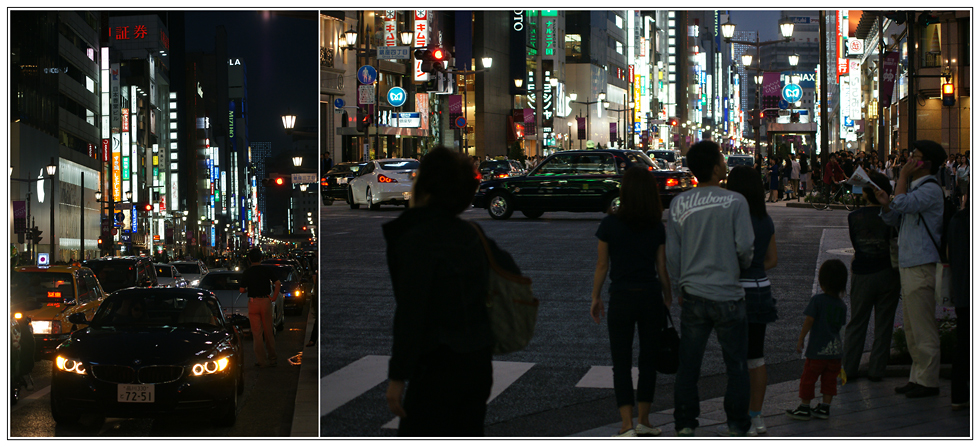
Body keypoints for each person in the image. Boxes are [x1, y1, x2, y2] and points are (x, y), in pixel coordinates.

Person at [384, 146, 518, 437]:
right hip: (477, 362)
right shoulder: (472, 234)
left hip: (437, 366)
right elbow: (510, 273)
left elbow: (411, 311)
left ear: (428, 188)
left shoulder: (417, 238)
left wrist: (398, 375)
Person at [666, 140, 754, 437]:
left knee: (689, 366)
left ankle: (686, 423)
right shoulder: (736, 202)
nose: (725, 162)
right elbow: (745, 248)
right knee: (736, 365)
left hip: (693, 293)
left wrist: (679, 284)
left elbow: (673, 255)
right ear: (716, 167)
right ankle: (737, 423)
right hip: (729, 293)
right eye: (721, 158)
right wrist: (737, 263)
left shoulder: (679, 203)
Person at [590, 167, 672, 437]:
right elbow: (661, 266)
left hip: (621, 296)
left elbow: (603, 265)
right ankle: (644, 420)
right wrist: (668, 296)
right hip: (650, 296)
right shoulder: (656, 226)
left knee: (621, 361)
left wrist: (596, 296)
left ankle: (626, 424)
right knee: (649, 359)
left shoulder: (609, 225)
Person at [875, 139, 947, 399]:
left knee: (923, 326)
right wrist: (885, 203)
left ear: (924, 163)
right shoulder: (916, 188)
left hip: (921, 264)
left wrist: (901, 177)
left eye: (913, 157)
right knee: (912, 327)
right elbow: (894, 215)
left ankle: (928, 381)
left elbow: (903, 205)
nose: (907, 161)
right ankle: (918, 377)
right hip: (909, 263)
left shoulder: (930, 189)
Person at [723, 166, 778, 436]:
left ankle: (738, 415)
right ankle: (757, 416)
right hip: (761, 291)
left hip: (735, 291)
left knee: (735, 358)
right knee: (756, 357)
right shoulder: (764, 219)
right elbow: (773, 259)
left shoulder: (732, 217)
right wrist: (755, 269)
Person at [841, 172, 900, 382]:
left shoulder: (854, 216)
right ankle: (877, 369)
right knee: (884, 323)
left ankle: (849, 368)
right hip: (889, 272)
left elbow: (856, 245)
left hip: (862, 272)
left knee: (857, 322)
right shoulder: (891, 214)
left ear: (868, 192)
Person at [786, 259, 848, 421]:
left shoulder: (818, 301)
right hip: (835, 352)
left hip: (816, 351)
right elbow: (841, 328)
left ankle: (805, 407)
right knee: (829, 380)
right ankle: (824, 408)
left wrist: (801, 339)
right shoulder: (842, 306)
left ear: (822, 282)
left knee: (809, 378)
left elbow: (809, 321)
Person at [238, 247, 281, 367]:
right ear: (261, 258)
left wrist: (247, 289)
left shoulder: (247, 272)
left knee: (256, 334)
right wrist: (273, 297)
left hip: (253, 303)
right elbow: (278, 283)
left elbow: (241, 289)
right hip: (266, 302)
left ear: (250, 259)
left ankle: (261, 360)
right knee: (268, 331)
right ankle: (272, 358)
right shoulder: (266, 270)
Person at [947, 201, 969, 410]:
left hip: (963, 289)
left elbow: (951, 252)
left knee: (963, 344)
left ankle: (959, 395)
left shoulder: (957, 220)